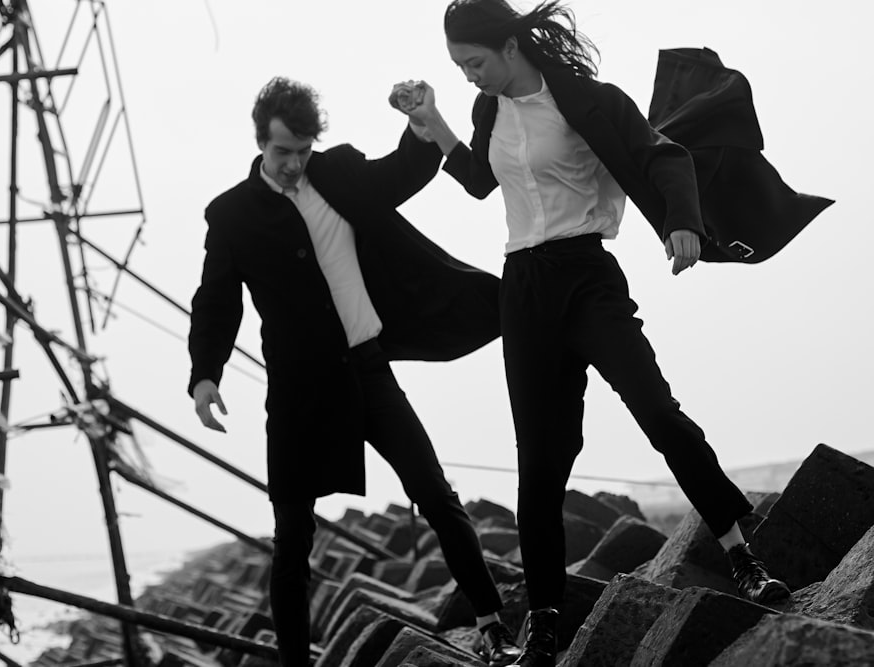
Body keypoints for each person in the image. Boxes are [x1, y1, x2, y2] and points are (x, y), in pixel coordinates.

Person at [392, 1, 794, 664]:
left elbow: (660, 156)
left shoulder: (590, 101)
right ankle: (544, 624)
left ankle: (740, 553)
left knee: (657, 411)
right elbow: (478, 181)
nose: (469, 76)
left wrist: (681, 221)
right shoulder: (488, 109)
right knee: (540, 465)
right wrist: (428, 119)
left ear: (510, 45)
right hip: (523, 289)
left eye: (474, 62)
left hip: (587, 277)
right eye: (458, 66)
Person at [188, 76, 523, 667]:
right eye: (281, 152)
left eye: (302, 151)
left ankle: (493, 628)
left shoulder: (337, 174)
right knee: (293, 535)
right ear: (260, 143)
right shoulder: (233, 215)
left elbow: (401, 172)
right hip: (298, 391)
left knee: (435, 494)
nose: (293, 164)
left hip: (368, 372)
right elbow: (216, 301)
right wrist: (205, 374)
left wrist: (420, 123)